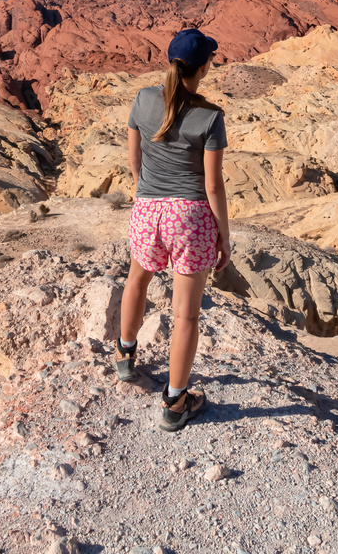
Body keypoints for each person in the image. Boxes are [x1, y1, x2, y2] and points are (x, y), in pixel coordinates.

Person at [115, 28, 231, 432]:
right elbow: (213, 185)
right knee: (185, 316)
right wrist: (224, 236)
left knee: (137, 281)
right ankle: (176, 400)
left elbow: (134, 160)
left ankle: (125, 357)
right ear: (204, 67)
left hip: (147, 208)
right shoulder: (210, 117)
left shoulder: (143, 99)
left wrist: (149, 194)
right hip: (190, 217)